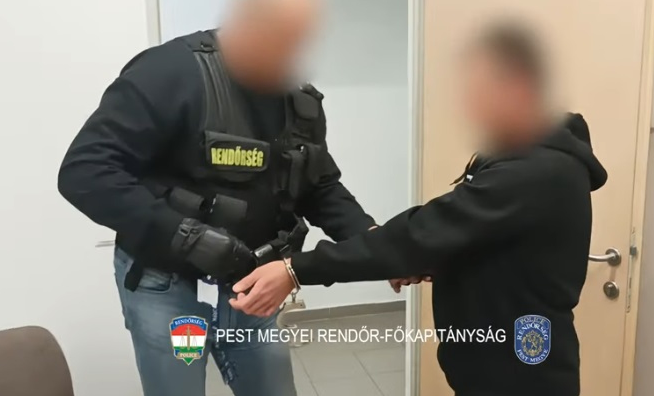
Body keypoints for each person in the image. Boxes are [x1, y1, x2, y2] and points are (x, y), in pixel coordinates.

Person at [230, 23, 608, 396]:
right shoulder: (522, 157)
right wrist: (418, 257)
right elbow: (472, 238)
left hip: (519, 376)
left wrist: (296, 269)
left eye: (480, 91)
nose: (470, 106)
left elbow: (425, 232)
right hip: (494, 366)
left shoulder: (537, 170)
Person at [57, 0, 376, 395]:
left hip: (253, 287)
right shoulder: (170, 72)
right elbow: (85, 171)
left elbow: (319, 183)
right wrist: (187, 237)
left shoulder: (299, 101)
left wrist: (373, 241)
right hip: (169, 289)